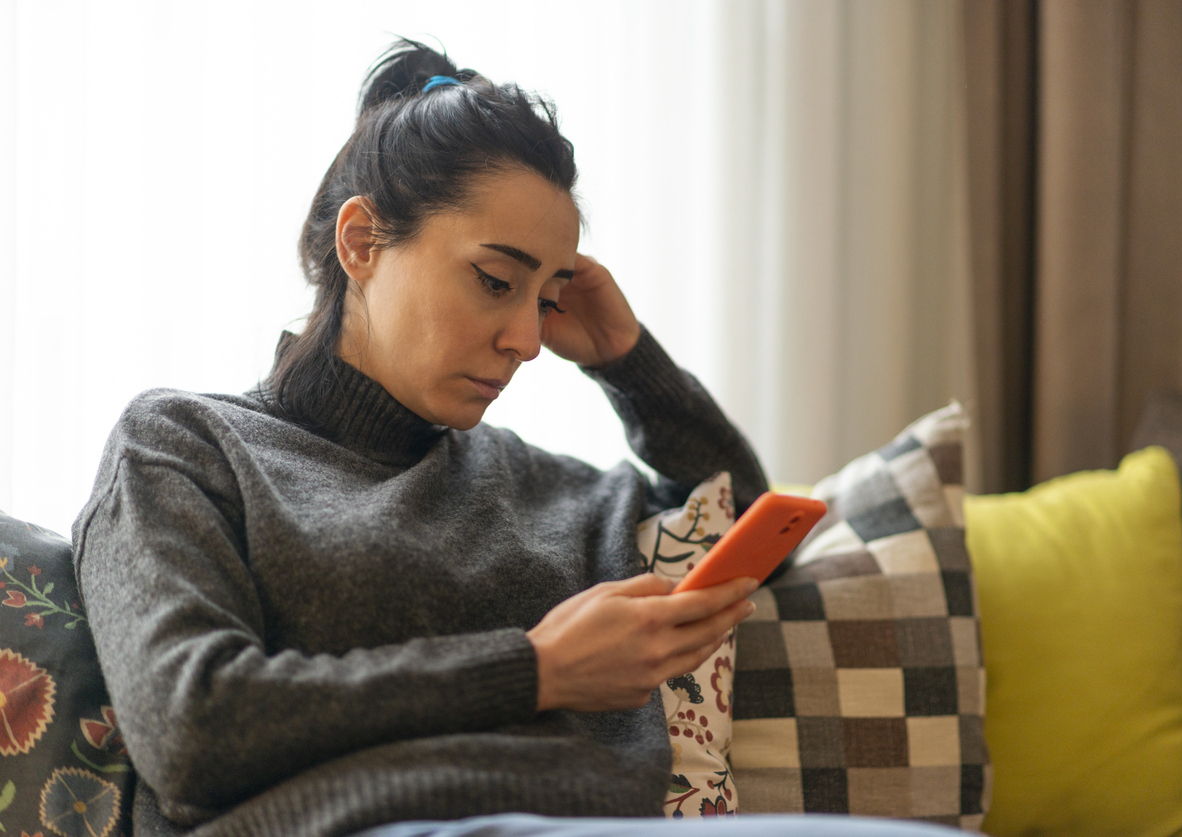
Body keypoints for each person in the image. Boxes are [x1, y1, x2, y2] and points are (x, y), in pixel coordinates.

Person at [73, 40, 961, 837]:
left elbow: (731, 522)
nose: (530, 340)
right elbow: (189, 730)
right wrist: (535, 669)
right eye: (495, 280)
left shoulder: (527, 482)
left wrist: (628, 358)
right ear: (362, 240)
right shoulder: (185, 444)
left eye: (547, 296)